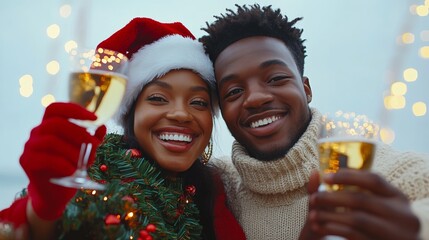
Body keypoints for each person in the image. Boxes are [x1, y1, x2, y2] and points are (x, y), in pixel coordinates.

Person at [0, 17, 245, 240]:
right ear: (131, 113)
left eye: (199, 102)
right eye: (158, 98)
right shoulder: (92, 174)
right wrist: (43, 206)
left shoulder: (222, 191)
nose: (181, 113)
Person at [199, 4, 429, 240]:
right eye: (234, 91)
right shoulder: (214, 187)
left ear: (306, 89)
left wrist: (416, 229)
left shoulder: (375, 175)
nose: (256, 98)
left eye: (276, 78)